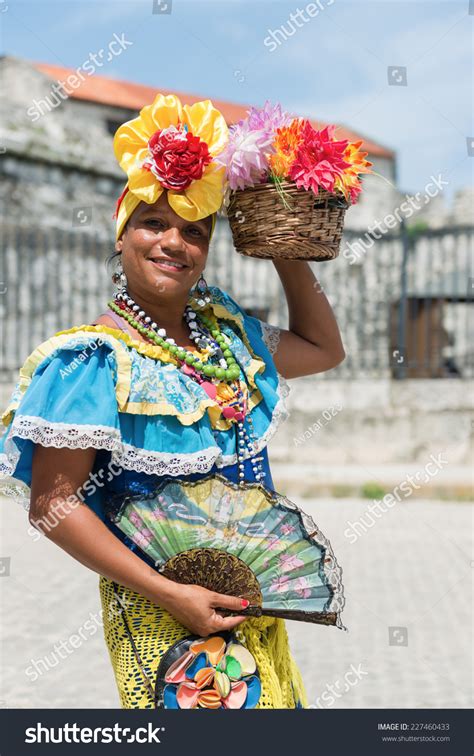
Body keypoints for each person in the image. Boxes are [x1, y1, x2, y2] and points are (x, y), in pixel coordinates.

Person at [0, 93, 345, 709]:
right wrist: (169, 593)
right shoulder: (88, 363)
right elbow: (52, 505)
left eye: (194, 231)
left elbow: (323, 349)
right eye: (153, 223)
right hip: (161, 614)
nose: (173, 243)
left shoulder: (226, 335)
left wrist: (286, 253)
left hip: (254, 601)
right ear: (123, 234)